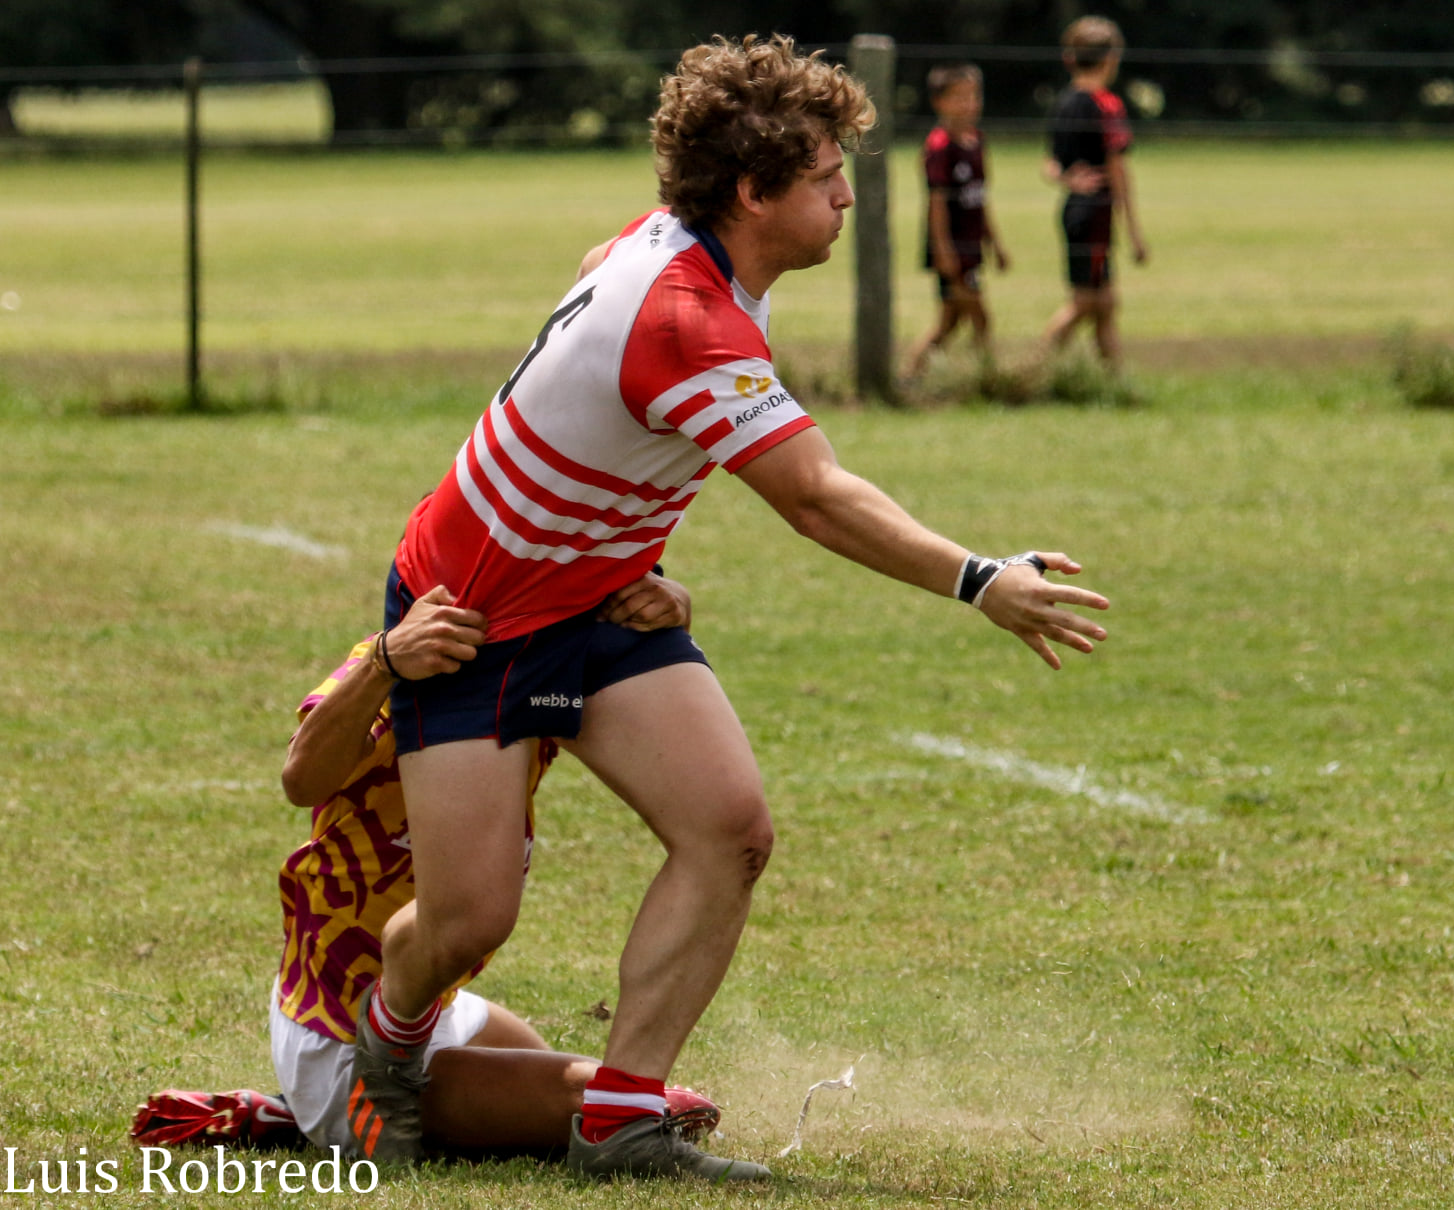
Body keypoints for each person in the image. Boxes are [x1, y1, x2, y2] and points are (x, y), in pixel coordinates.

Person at [354, 33, 1110, 1185]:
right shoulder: (686, 317)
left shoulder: (668, 249)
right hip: (470, 620)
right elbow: (814, 496)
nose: (849, 193)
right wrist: (980, 577)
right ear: (752, 193)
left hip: (603, 602)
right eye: (824, 177)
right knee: (467, 924)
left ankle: (619, 1119)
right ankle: (389, 1043)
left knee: (729, 827)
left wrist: (613, 543)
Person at [130, 573, 721, 1157]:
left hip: (431, 1006)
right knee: (651, 1108)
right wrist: (383, 662)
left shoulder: (539, 688)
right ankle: (324, 1109)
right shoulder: (413, 660)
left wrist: (662, 637)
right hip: (343, 1029)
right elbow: (301, 779)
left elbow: (634, 726)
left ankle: (292, 1119)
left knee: (594, 1093)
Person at [1040, 15, 1148, 371]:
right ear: (1111, 58)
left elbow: (1050, 166)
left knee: (1105, 304)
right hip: (1096, 215)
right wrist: (1134, 231)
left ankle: (1115, 379)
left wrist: (1069, 181)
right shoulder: (1107, 104)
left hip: (1073, 210)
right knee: (1086, 303)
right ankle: (1032, 367)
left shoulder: (1065, 102)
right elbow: (1118, 170)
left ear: (1070, 57)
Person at [902, 61, 1009, 381]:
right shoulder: (939, 148)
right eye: (960, 97)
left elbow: (981, 198)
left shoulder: (977, 141)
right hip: (951, 248)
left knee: (950, 321)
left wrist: (995, 243)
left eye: (974, 96)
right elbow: (936, 205)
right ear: (939, 102)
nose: (970, 104)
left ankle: (911, 374)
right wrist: (943, 251)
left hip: (972, 244)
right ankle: (988, 377)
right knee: (979, 316)